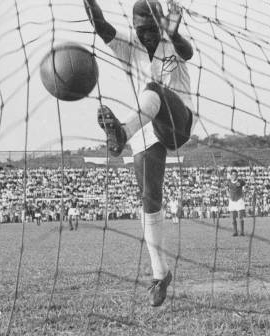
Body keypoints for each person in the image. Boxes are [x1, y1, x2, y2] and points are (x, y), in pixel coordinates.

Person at [84, 0, 194, 306]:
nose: (145, 35)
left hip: (178, 120)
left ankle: (122, 132)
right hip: (146, 131)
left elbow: (187, 51)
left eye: (150, 29)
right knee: (149, 200)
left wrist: (173, 30)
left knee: (154, 88)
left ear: (159, 25)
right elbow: (101, 25)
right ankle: (161, 274)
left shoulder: (172, 41)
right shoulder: (129, 46)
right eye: (140, 29)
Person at [227, 169, 245, 237]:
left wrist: (240, 184)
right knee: (233, 217)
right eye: (233, 174)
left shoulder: (240, 181)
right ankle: (235, 232)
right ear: (231, 175)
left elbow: (243, 183)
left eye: (235, 174)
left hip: (239, 200)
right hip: (232, 201)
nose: (234, 176)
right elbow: (225, 187)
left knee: (240, 216)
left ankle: (242, 232)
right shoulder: (228, 182)